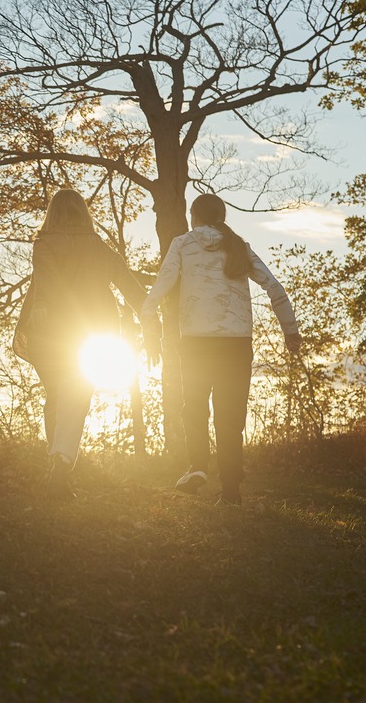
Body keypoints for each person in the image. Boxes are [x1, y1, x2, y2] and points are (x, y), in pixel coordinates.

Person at [141, 193, 302, 505]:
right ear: (222, 216)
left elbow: (161, 285)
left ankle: (198, 466)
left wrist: (150, 327)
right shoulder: (238, 246)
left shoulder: (182, 244)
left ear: (194, 216)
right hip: (236, 344)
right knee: (230, 417)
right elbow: (274, 287)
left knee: (194, 408)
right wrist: (290, 331)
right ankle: (231, 490)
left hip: (196, 343)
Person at [12, 189, 149, 499]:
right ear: (83, 214)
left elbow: (45, 278)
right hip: (91, 330)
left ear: (52, 213)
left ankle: (56, 465)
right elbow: (129, 284)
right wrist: (150, 314)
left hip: (49, 331)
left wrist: (43, 307)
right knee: (75, 397)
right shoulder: (99, 247)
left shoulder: (44, 244)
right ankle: (59, 465)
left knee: (58, 397)